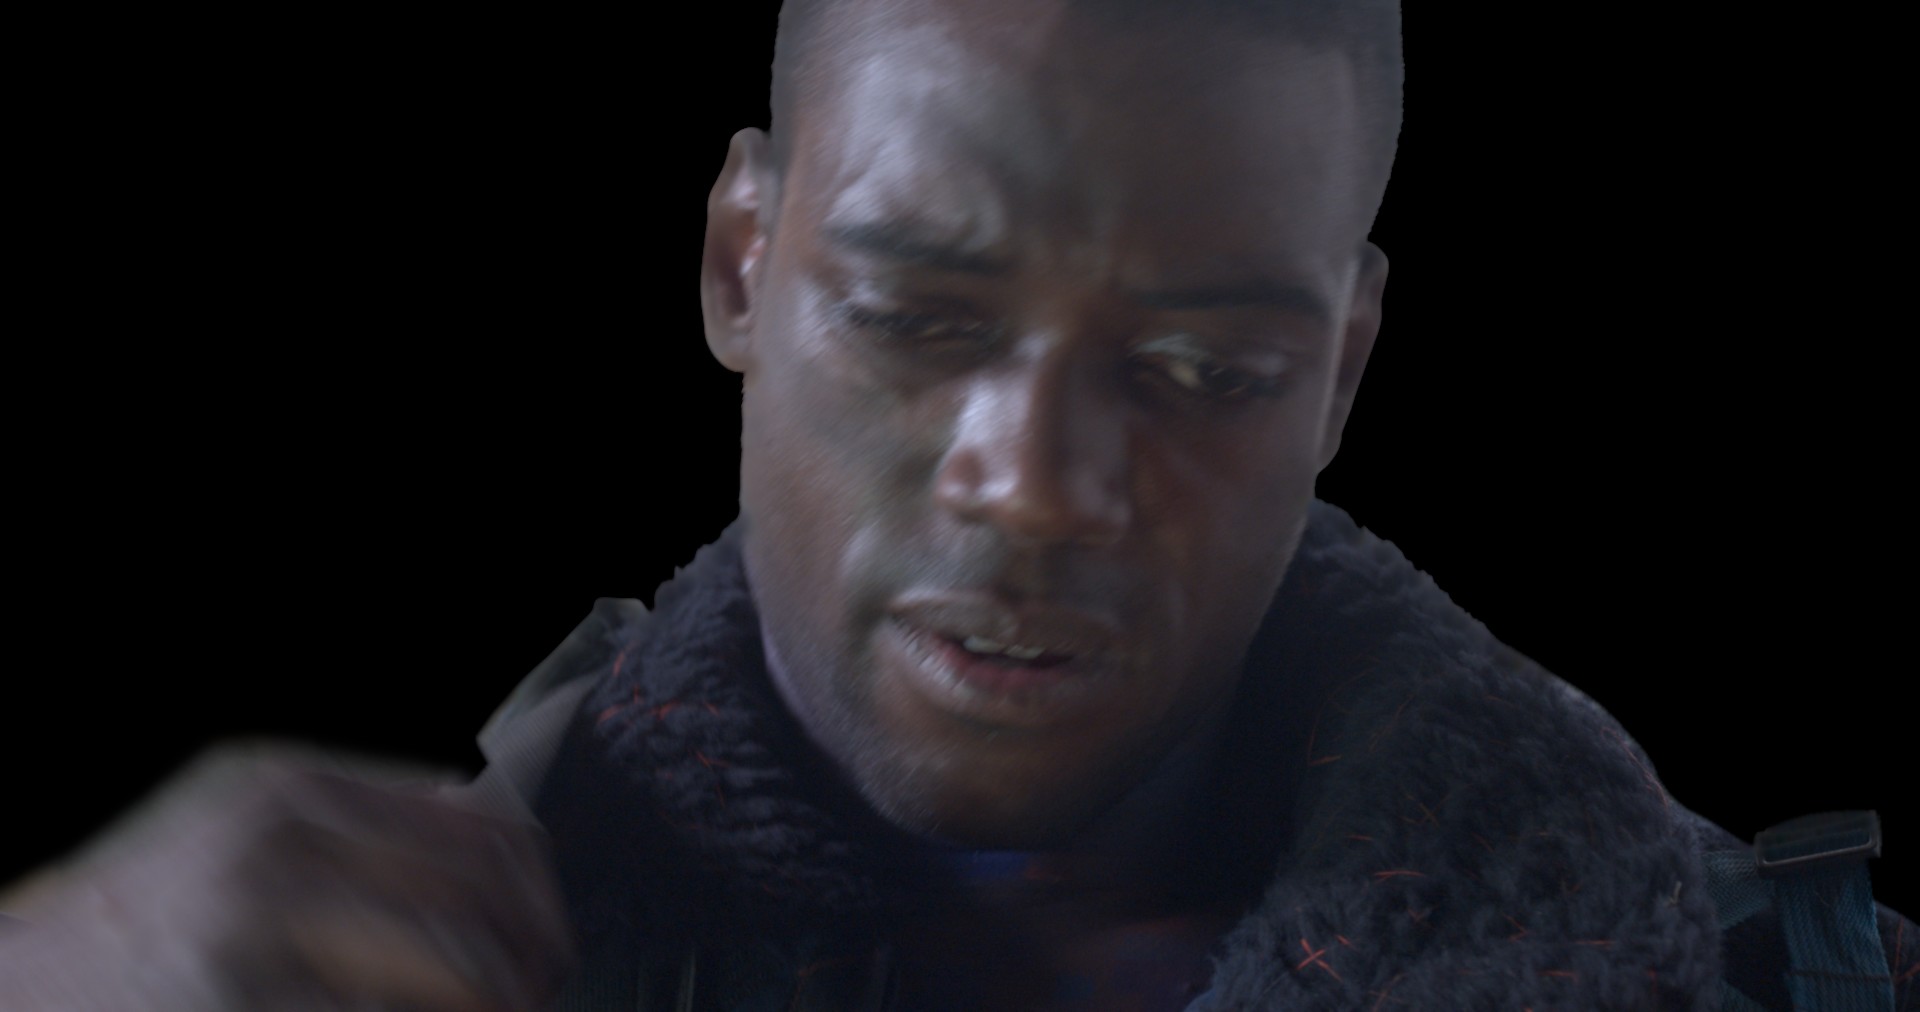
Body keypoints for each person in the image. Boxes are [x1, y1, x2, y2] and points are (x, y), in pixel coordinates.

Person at [2, 0, 1913, 1008]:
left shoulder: (1776, 979)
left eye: (1207, 370)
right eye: (919, 318)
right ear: (740, 266)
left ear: (1340, 375)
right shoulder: (263, 972)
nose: (1038, 485)